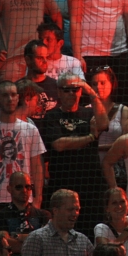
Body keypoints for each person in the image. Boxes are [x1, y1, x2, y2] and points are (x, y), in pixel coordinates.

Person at [42, 72, 108, 236]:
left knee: (91, 231)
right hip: (63, 183)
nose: (71, 93)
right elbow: (59, 144)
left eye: (75, 90)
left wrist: (91, 92)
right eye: (66, 90)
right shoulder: (52, 116)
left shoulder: (88, 113)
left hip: (90, 186)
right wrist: (91, 137)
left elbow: (104, 123)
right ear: (58, 92)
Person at [0, 80, 46, 210]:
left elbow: (37, 167)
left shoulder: (31, 129)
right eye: (5, 95)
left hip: (25, 200)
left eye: (13, 94)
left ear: (18, 98)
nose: (10, 99)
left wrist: (38, 198)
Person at [89, 66, 128, 163]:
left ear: (112, 84)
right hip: (92, 164)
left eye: (103, 83)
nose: (98, 87)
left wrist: (99, 148)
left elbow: (127, 143)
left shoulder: (123, 110)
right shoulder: (86, 110)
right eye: (94, 84)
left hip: (116, 164)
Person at [20, 39, 60, 124]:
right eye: (40, 58)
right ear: (28, 60)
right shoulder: (18, 87)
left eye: (46, 57)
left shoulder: (56, 86)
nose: (45, 62)